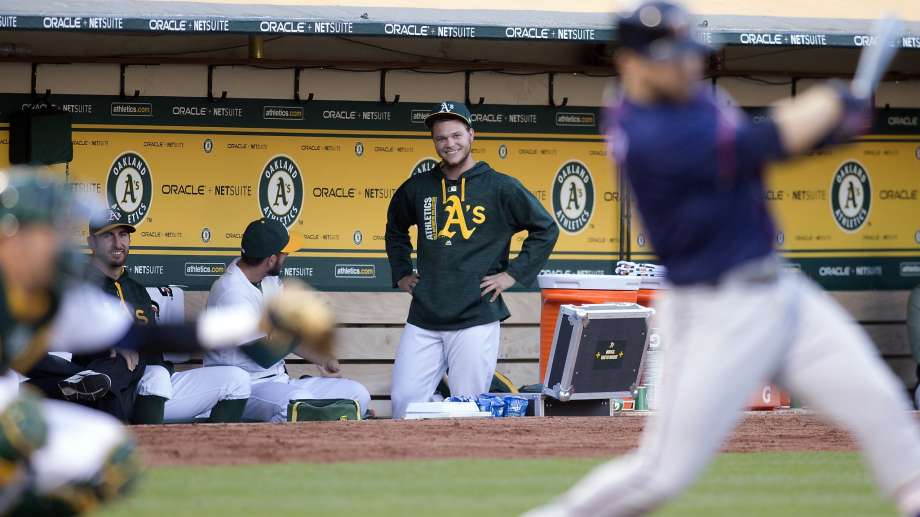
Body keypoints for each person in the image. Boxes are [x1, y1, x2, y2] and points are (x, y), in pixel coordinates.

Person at [524, 3, 920, 517]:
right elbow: (760, 144)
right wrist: (833, 100)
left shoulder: (697, 104)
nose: (686, 66)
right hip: (715, 312)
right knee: (660, 474)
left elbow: (769, 152)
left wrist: (834, 126)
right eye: (670, 58)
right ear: (631, 63)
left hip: (782, 295)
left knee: (883, 407)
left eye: (688, 55)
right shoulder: (643, 132)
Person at [0, 170, 336, 514]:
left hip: (30, 404)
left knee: (113, 457)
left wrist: (260, 321)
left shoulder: (59, 296)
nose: (55, 242)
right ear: (12, 236)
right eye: (45, 232)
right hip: (12, 409)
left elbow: (152, 336)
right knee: (16, 429)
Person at [385, 101, 559, 419]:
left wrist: (513, 274)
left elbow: (545, 228)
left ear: (471, 135)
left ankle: (459, 467)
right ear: (434, 142)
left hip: (475, 315)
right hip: (425, 315)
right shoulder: (419, 187)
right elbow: (395, 228)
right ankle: (412, 465)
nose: (449, 144)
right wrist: (401, 271)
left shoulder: (500, 187)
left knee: (466, 409)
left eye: (456, 135)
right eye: (441, 138)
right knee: (404, 402)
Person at [83, 210, 252, 424]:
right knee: (157, 376)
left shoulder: (136, 290)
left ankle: (210, 454)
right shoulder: (81, 287)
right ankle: (144, 452)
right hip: (108, 390)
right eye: (108, 236)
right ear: (92, 242)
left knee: (237, 380)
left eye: (123, 235)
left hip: (153, 385)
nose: (118, 243)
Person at [204, 218, 371, 423]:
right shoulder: (230, 292)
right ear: (271, 260)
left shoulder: (269, 280)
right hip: (244, 389)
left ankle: (323, 445)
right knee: (299, 404)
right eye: (285, 253)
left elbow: (288, 336)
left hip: (279, 382)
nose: (288, 255)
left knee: (357, 394)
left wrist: (322, 359)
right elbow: (262, 355)